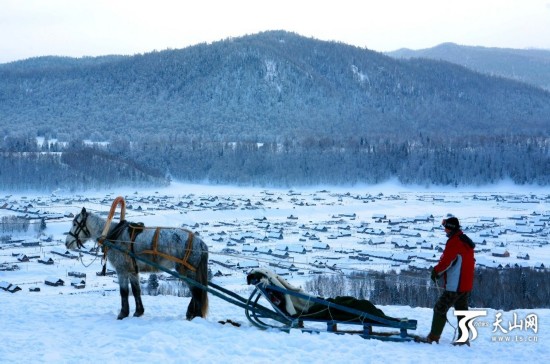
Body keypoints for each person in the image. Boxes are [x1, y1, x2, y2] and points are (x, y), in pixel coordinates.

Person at [417, 216, 476, 345]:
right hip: (466, 284)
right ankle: (463, 339)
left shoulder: (455, 242)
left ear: (451, 228)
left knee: (440, 308)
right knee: (462, 310)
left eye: (446, 228)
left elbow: (446, 262)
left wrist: (436, 272)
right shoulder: (465, 240)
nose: (445, 231)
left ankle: (433, 338)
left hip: (455, 285)